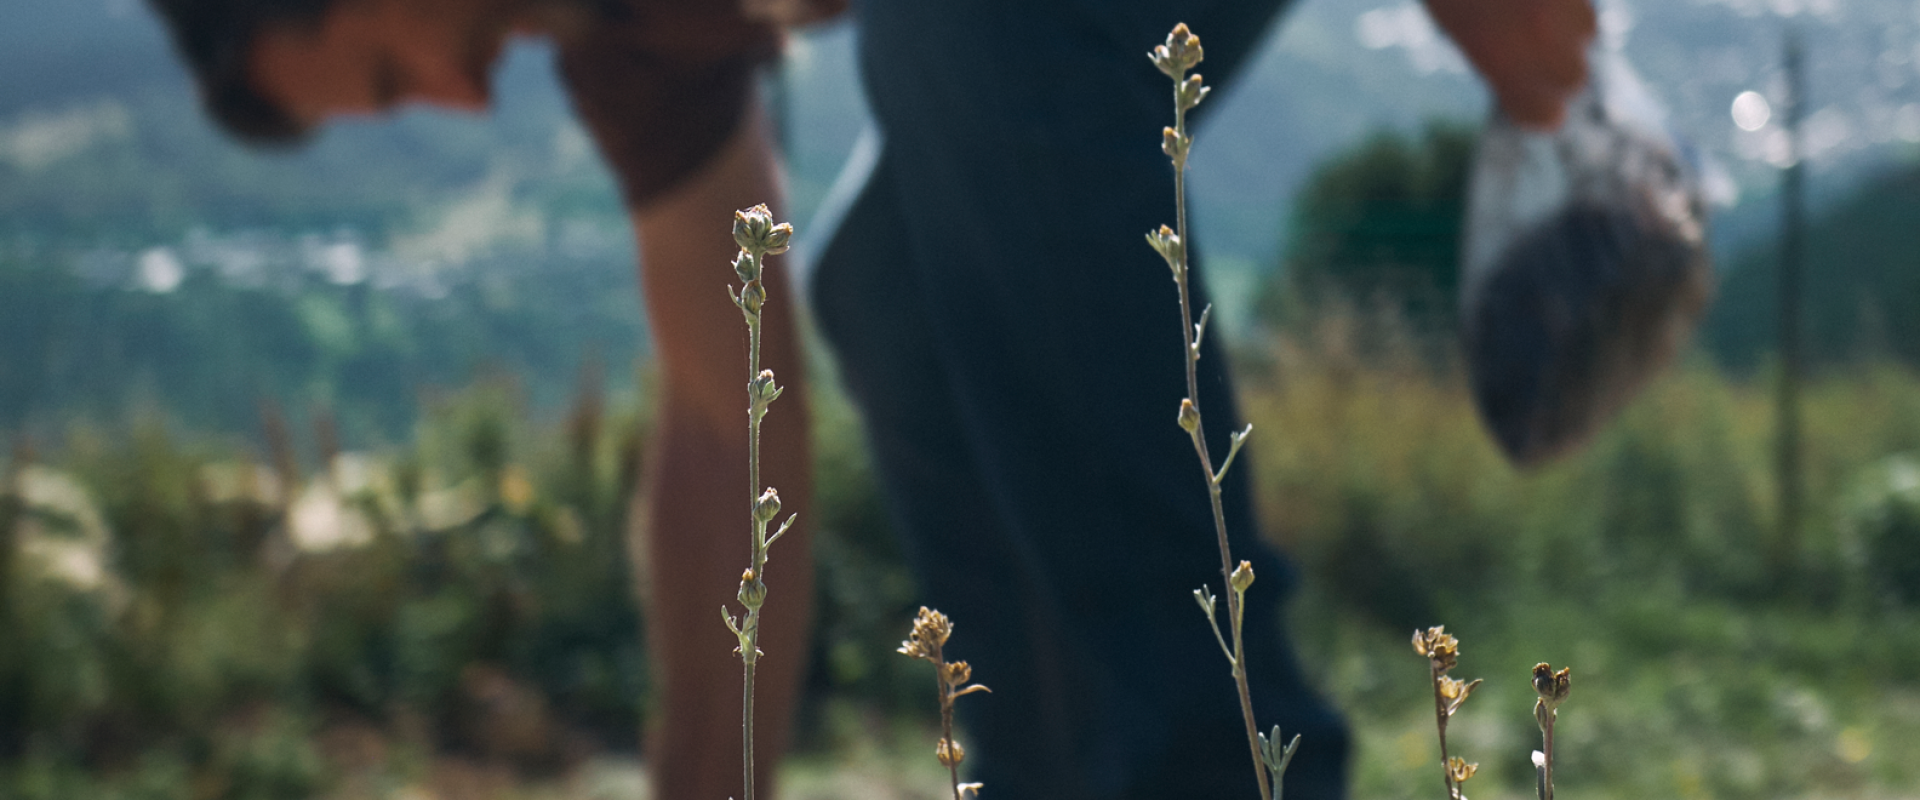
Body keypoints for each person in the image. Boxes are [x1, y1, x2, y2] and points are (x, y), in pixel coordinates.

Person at [143, 0, 1594, 798]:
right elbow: (733, 415)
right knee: (881, 288)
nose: (464, 106)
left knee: (952, 35)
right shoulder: (625, 43)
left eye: (397, 69)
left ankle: (1217, 769)